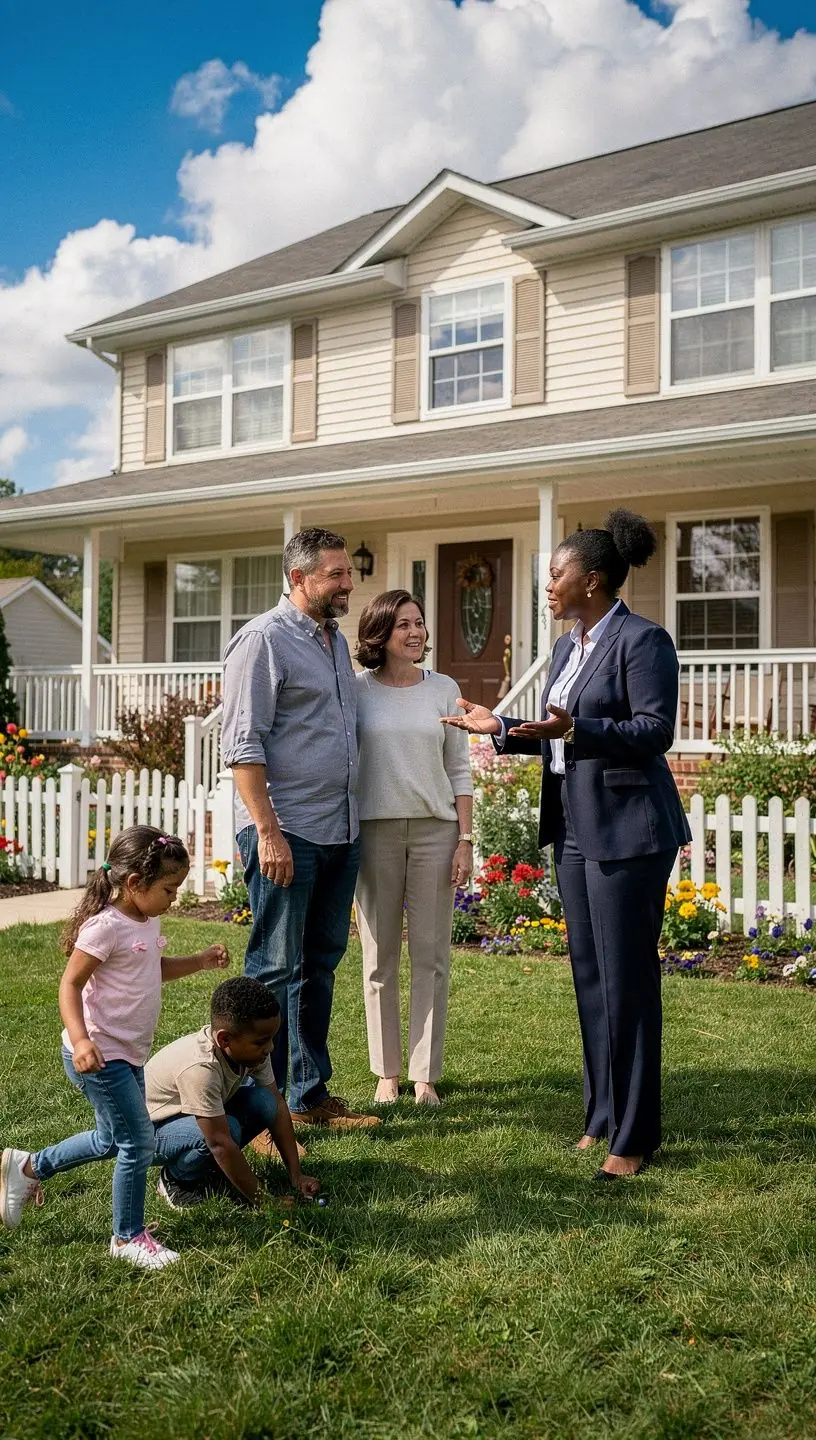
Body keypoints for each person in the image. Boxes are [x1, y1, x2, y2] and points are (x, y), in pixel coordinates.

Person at [442, 510, 691, 1179]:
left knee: (627, 983)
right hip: (574, 829)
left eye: (557, 573)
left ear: (595, 578)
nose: (547, 584)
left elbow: (652, 731)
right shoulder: (564, 647)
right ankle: (601, 1116)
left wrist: (576, 727)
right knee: (589, 979)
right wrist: (501, 726)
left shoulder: (643, 641)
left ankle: (633, 1137)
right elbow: (560, 729)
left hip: (629, 830)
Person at [0, 826, 229, 1268]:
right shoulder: (104, 928)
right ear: (134, 884)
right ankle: (126, 1237)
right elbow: (69, 985)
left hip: (127, 1053)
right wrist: (82, 1040)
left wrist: (199, 961)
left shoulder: (145, 917)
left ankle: (27, 1167)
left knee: (112, 1139)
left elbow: (151, 969)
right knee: (138, 1142)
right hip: (100, 1054)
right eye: (169, 888)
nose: (174, 898)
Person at [221, 526, 377, 1130]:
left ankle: (309, 1097)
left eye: (347, 572)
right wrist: (267, 832)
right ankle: (257, 1114)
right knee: (271, 972)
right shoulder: (262, 641)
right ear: (298, 578)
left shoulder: (333, 641)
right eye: (336, 574)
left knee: (319, 964)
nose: (348, 583)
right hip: (286, 833)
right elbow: (242, 746)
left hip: (339, 829)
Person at [354, 589, 473, 1107]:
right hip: (374, 831)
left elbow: (459, 769)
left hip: (436, 831)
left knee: (431, 954)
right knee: (378, 954)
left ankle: (424, 1074)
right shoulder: (357, 691)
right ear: (381, 633)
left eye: (419, 623)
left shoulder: (444, 688)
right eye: (403, 624)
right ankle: (387, 1071)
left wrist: (465, 839)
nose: (416, 632)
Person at [148, 976, 319, 1209]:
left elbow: (277, 1106)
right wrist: (265, 1202)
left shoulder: (252, 1050)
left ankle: (216, 1170)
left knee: (265, 1102)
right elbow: (218, 1141)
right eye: (261, 1042)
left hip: (188, 1119)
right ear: (225, 1039)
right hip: (149, 1133)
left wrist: (296, 1175)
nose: (270, 1048)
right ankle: (176, 1179)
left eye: (272, 1039)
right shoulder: (201, 1068)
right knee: (222, 1133)